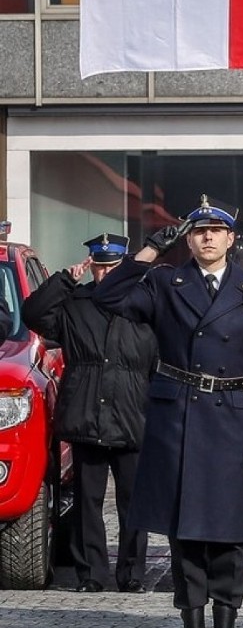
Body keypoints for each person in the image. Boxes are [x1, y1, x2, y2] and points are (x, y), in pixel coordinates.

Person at [94, 196, 243, 628]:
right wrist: (149, 251)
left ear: (230, 238)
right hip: (178, 419)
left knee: (227, 542)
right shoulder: (165, 282)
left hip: (232, 422)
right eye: (197, 232)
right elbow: (107, 298)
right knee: (185, 541)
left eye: (215, 232)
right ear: (188, 238)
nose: (206, 239)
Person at [21, 233, 158, 594]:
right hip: (86, 411)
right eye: (98, 267)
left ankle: (132, 574)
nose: (103, 274)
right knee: (87, 502)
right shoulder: (75, 302)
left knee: (134, 503)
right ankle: (91, 574)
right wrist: (65, 279)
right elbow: (33, 314)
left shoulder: (146, 303)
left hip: (132, 411)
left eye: (112, 267)